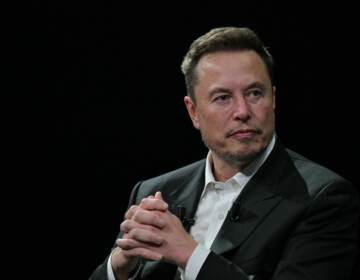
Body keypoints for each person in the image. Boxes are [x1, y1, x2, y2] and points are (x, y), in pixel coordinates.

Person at [89, 27, 359, 280]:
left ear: (273, 99)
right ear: (193, 112)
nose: (242, 111)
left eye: (254, 93)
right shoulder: (155, 191)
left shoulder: (322, 197)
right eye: (222, 98)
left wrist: (190, 254)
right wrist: (120, 265)